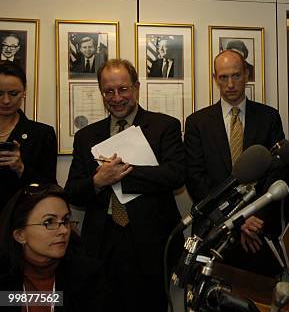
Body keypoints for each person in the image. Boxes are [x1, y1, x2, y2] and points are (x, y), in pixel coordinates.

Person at [65, 59, 184, 312]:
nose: (116, 98)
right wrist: (98, 181)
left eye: (123, 89)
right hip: (101, 242)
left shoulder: (165, 126)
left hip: (151, 243)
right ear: (101, 93)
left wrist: (121, 173)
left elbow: (175, 175)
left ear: (136, 87)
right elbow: (73, 191)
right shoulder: (86, 136)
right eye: (109, 91)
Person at [184, 49, 284, 275]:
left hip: (257, 233)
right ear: (215, 79)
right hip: (212, 231)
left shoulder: (269, 117)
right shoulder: (197, 123)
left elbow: (276, 174)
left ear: (247, 74)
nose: (230, 84)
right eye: (223, 77)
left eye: (236, 76)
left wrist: (254, 219)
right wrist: (237, 222)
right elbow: (196, 181)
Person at [0, 183, 108, 311]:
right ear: (20, 235)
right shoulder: (4, 278)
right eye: (49, 222)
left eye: (66, 220)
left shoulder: (87, 275)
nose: (63, 230)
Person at [0, 61, 57, 209]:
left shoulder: (42, 134)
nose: (6, 100)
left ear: (24, 92)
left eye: (13, 94)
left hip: (21, 219)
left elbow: (50, 188)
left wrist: (21, 169)